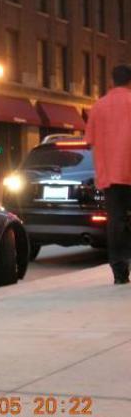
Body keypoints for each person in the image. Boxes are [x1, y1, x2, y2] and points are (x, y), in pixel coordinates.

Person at [86, 64, 131, 284]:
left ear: (111, 82)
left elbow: (91, 141)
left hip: (110, 175)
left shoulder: (98, 106)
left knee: (116, 221)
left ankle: (120, 272)